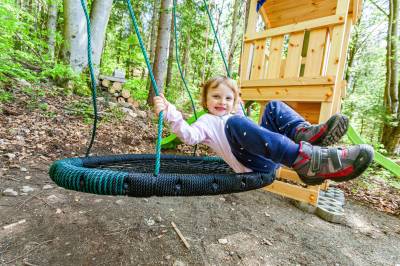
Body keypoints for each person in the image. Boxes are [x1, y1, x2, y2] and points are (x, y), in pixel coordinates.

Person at [153, 76, 374, 185]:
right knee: (237, 124)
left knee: (273, 106)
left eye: (228, 98)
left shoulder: (234, 115)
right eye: (216, 97)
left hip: (269, 154)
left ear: (235, 100)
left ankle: (304, 134)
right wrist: (170, 111)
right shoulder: (207, 122)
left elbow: (243, 117)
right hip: (252, 167)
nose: (222, 102)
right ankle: (305, 159)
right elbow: (189, 137)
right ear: (206, 101)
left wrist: (238, 105)